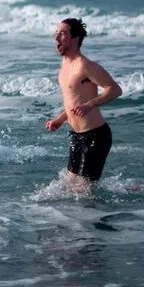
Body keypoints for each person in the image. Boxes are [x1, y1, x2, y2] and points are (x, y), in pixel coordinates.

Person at [44, 18, 121, 190]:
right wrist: (61, 119)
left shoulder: (86, 66)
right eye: (56, 34)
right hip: (76, 137)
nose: (56, 38)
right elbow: (73, 100)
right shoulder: (64, 65)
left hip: (96, 136)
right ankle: (129, 189)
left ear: (75, 39)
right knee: (70, 186)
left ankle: (95, 216)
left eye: (62, 34)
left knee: (82, 192)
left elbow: (115, 89)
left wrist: (90, 105)